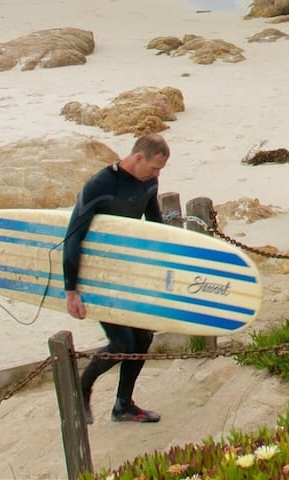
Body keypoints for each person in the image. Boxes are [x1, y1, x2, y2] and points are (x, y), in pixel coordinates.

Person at [64, 134, 169, 423]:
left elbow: (155, 226)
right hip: (95, 275)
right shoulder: (99, 186)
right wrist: (71, 291)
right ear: (138, 158)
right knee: (122, 342)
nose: (157, 174)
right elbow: (73, 238)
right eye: (154, 167)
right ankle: (81, 389)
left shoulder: (149, 183)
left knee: (144, 337)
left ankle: (123, 405)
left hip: (126, 272)